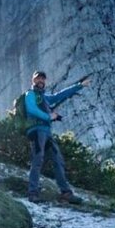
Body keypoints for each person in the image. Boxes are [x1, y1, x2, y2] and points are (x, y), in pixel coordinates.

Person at [24, 70, 91, 204]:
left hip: (46, 132)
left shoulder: (45, 98)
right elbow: (31, 109)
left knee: (58, 160)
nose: (41, 81)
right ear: (33, 81)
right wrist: (49, 116)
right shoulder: (30, 94)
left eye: (43, 79)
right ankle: (32, 193)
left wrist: (80, 85)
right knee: (37, 160)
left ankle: (66, 193)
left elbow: (61, 95)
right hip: (36, 131)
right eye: (38, 79)